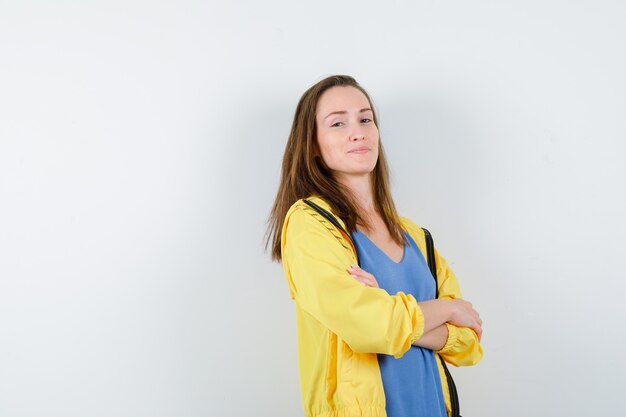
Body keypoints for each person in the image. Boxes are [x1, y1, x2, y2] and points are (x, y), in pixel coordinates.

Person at [266, 75, 483, 417]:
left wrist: (390, 310)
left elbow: (468, 341)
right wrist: (445, 309)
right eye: (338, 123)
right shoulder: (310, 224)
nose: (358, 131)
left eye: (365, 119)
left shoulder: (416, 236)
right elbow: (367, 327)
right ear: (312, 145)